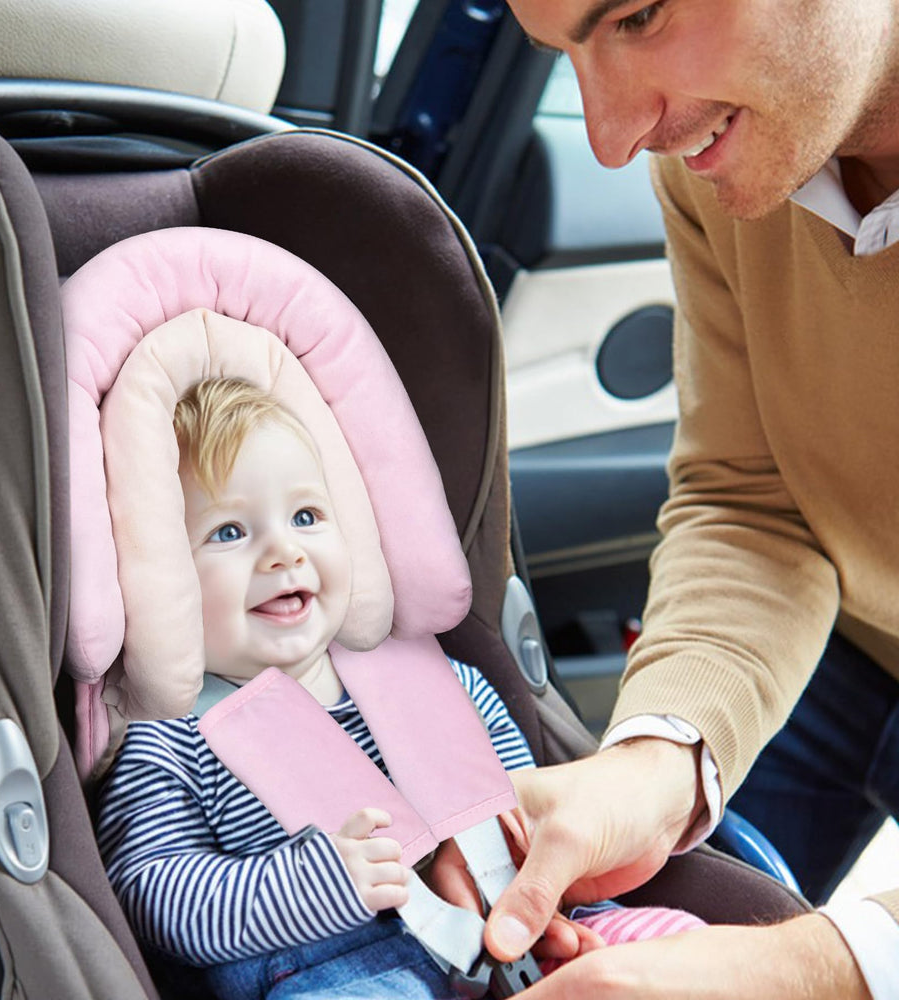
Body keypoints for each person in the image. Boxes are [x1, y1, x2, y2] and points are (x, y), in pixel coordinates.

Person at [456, 1, 899, 997]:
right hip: (837, 646)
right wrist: (652, 764)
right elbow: (753, 496)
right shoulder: (724, 158)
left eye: (638, 16)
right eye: (563, 51)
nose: (612, 136)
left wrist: (821, 968)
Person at [96, 377, 706, 999]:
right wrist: (306, 885)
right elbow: (153, 893)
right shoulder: (171, 738)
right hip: (341, 973)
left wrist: (519, 873)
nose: (284, 551)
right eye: (230, 531)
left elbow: (521, 803)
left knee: (679, 946)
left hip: (508, 931)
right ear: (163, 576)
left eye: (306, 516)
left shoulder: (436, 682)